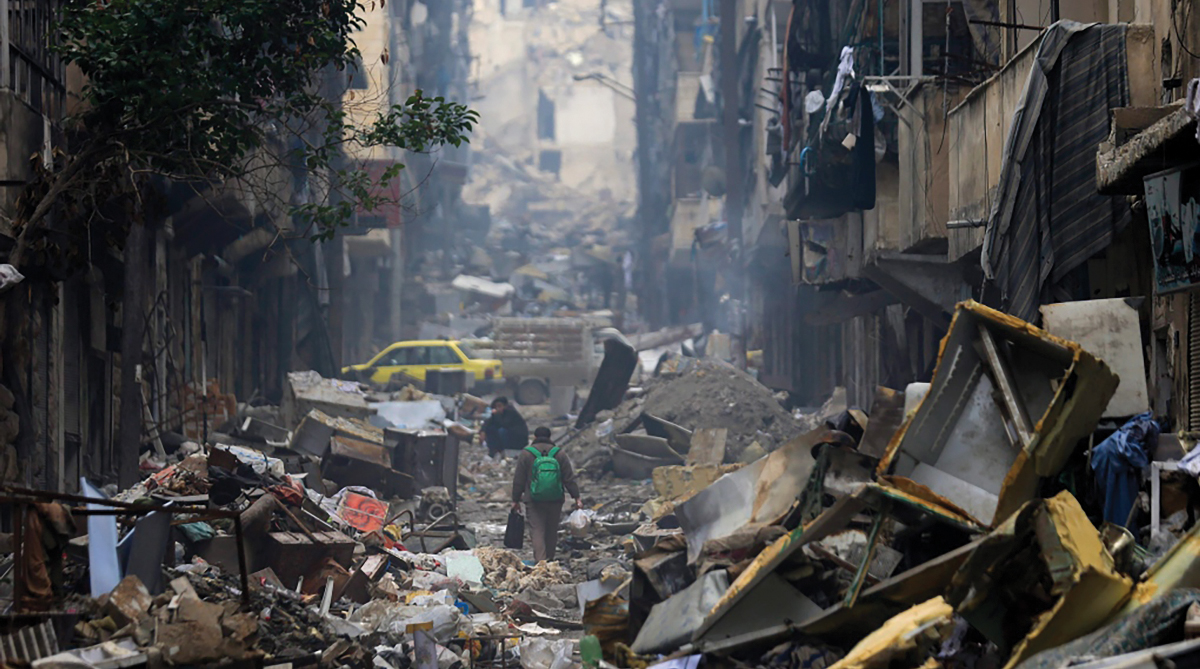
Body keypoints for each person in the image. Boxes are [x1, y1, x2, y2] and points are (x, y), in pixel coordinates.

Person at [512, 427, 582, 562]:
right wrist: (576, 497)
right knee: (551, 530)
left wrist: (515, 500)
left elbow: (518, 480)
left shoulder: (526, 454)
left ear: (535, 437)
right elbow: (568, 478)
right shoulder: (559, 453)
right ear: (550, 437)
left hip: (533, 499)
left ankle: (541, 561)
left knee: (537, 530)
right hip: (555, 499)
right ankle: (549, 559)